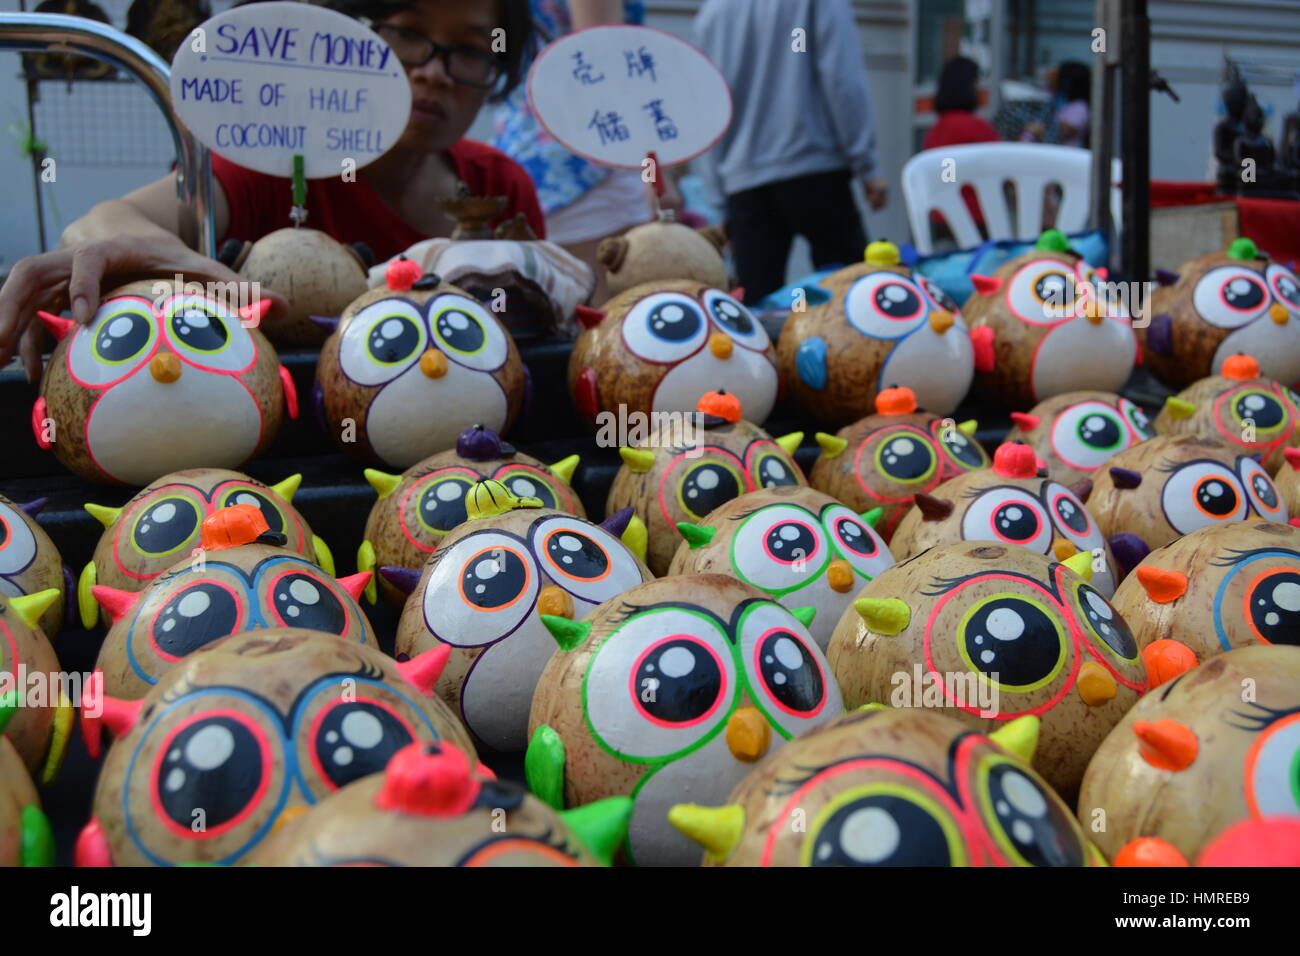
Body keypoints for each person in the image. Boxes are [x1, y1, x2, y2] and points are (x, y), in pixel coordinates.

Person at [0, 0, 541, 381]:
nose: (434, 73)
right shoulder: (271, 171)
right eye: (404, 34)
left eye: (472, 51)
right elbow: (103, 220)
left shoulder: (499, 188)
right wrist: (144, 252)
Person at [693, 0, 886, 306]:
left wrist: (719, 200)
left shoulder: (713, 13)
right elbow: (842, 80)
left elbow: (706, 107)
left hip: (743, 181)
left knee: (755, 311)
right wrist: (866, 165)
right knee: (853, 299)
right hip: (815, 168)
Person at [491, 0, 670, 304]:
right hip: (592, 161)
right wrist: (653, 169)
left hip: (527, 150)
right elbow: (602, 60)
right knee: (611, 323)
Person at [921, 56, 999, 237]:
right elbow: (1002, 165)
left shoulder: (937, 128)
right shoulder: (975, 127)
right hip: (974, 218)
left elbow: (947, 175)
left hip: (941, 216)